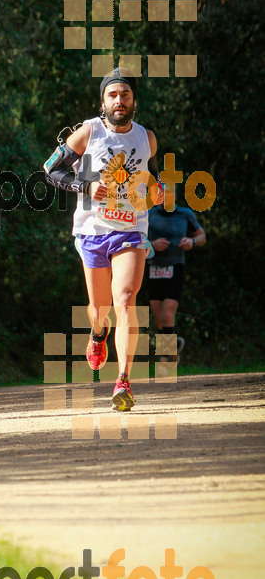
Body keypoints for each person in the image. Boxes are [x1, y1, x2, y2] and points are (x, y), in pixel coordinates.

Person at [44, 68, 164, 411]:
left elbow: (151, 179)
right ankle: (98, 335)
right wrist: (84, 186)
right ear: (103, 102)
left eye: (125, 95)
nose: (119, 100)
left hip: (131, 230)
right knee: (100, 311)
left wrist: (157, 191)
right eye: (112, 95)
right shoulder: (88, 132)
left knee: (125, 299)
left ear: (134, 101)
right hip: (93, 231)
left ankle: (123, 380)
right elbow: (51, 169)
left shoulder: (147, 138)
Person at [147, 191, 206, 363]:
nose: (167, 196)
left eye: (171, 193)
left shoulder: (185, 214)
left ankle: (165, 361)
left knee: (167, 315)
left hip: (175, 266)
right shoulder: (149, 214)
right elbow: (136, 239)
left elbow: (202, 236)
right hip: (154, 268)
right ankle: (174, 344)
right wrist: (152, 245)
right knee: (159, 320)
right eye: (163, 193)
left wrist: (192, 242)